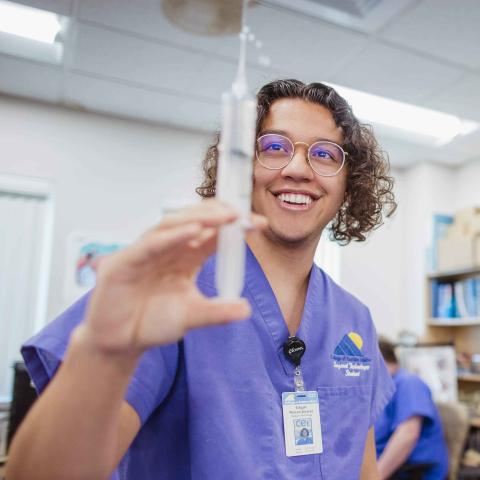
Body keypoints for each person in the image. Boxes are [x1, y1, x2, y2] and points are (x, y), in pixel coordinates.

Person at [7, 79, 397, 480]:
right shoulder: (170, 294)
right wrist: (103, 354)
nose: (298, 168)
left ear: (349, 183)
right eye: (275, 147)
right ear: (241, 167)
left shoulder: (354, 320)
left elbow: (363, 470)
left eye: (324, 154)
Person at [375, 338, 449, 480]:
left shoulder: (408, 383)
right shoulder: (382, 388)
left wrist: (374, 476)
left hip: (410, 472)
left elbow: (407, 435)